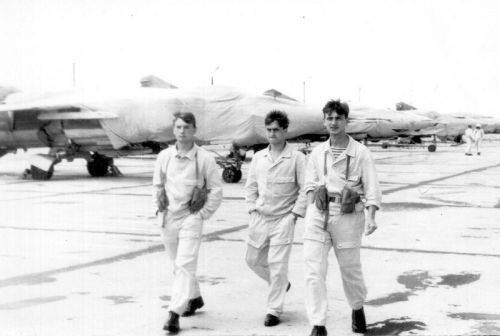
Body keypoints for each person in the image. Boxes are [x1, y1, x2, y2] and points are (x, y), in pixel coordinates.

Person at [303, 100, 382, 336]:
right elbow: (309, 183)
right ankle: (318, 323)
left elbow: (372, 190)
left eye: (338, 118)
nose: (333, 122)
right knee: (313, 270)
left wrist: (370, 217)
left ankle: (357, 308)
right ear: (324, 121)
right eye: (329, 118)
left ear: (346, 121)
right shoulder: (317, 153)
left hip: (348, 216)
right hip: (319, 214)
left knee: (350, 269)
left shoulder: (360, 153)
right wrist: (310, 209)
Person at [152, 112, 223, 333]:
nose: (182, 131)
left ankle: (174, 313)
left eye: (187, 127)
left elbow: (216, 190)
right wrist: (159, 206)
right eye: (179, 127)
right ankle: (194, 298)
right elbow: (157, 185)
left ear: (194, 130)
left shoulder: (204, 158)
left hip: (191, 217)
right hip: (168, 217)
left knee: (184, 264)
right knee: (177, 265)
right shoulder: (164, 156)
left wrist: (201, 215)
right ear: (174, 130)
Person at [245, 110, 307, 327]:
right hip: (260, 218)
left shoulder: (297, 157)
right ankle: (281, 284)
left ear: (285, 130)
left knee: (277, 264)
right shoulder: (259, 157)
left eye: (276, 130)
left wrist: (294, 215)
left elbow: (305, 189)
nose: (272, 133)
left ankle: (274, 310)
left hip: (283, 219)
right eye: (269, 129)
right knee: (252, 260)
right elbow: (251, 186)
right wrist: (251, 209)